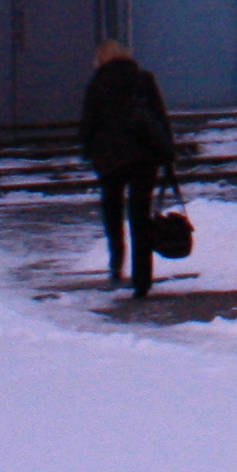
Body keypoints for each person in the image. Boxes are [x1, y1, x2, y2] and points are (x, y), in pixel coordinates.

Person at [79, 36, 174, 294]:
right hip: (144, 156)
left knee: (113, 210)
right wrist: (167, 152)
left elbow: (89, 121)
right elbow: (159, 116)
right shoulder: (144, 80)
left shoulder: (98, 83)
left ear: (102, 58)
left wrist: (87, 149)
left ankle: (116, 266)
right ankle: (142, 280)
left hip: (110, 157)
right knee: (140, 216)